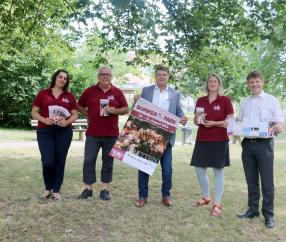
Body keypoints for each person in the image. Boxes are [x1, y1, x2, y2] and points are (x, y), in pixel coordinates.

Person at [236, 70, 284, 228]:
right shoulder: (244, 102)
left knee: (267, 182)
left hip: (265, 144)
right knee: (251, 180)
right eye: (251, 82)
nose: (254, 84)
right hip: (247, 144)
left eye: (257, 81)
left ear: (262, 82)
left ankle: (269, 215)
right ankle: (252, 209)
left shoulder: (272, 100)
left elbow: (280, 125)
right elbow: (240, 123)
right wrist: (233, 124)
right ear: (248, 84)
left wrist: (277, 127)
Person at [135, 65, 188, 207]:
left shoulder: (174, 94)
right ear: (155, 76)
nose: (161, 77)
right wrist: (136, 102)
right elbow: (140, 108)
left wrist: (182, 118)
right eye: (159, 74)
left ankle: (166, 196)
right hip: (148, 136)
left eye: (164, 74)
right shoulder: (146, 91)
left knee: (167, 169)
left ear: (168, 76)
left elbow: (178, 111)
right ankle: (142, 196)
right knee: (144, 167)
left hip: (166, 138)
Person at [77, 66, 129, 201]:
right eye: (102, 74)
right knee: (89, 160)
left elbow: (125, 109)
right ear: (98, 76)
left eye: (108, 75)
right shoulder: (89, 91)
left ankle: (104, 189)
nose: (105, 77)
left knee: (108, 161)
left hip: (111, 134)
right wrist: (89, 114)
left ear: (111, 77)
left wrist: (115, 111)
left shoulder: (117, 92)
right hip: (93, 133)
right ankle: (88, 189)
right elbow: (79, 105)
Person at [190, 74, 234, 216]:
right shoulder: (200, 100)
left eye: (215, 81)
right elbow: (195, 120)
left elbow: (230, 122)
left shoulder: (225, 100)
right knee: (199, 170)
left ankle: (217, 203)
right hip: (202, 139)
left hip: (220, 140)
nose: (212, 83)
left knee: (218, 171)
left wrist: (215, 123)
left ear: (219, 84)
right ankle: (206, 197)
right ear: (207, 84)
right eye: (210, 81)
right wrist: (197, 120)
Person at [31, 69, 78, 201]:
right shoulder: (42, 94)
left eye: (65, 78)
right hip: (45, 131)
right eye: (60, 77)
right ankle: (48, 188)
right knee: (47, 161)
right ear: (55, 78)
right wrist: (44, 119)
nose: (62, 79)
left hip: (64, 132)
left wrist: (66, 121)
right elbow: (34, 112)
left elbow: (75, 114)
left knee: (60, 160)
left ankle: (56, 191)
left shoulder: (69, 96)